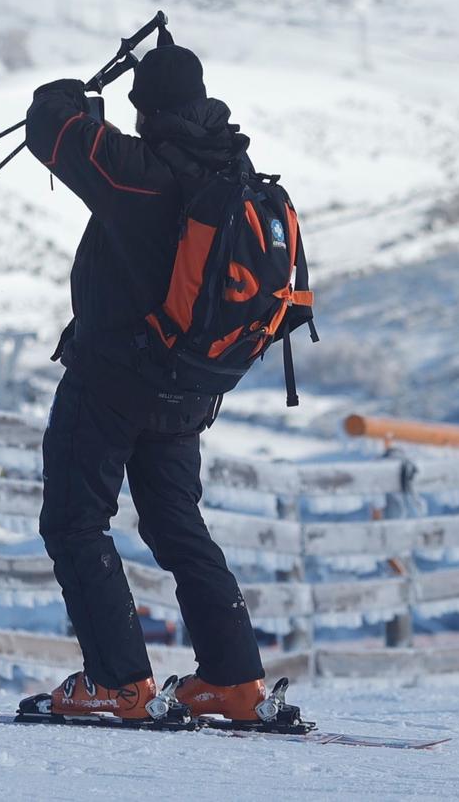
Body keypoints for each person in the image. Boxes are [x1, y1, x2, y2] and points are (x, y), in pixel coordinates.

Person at [20, 39, 272, 723]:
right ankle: (234, 682)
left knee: (75, 522)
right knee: (177, 524)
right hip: (190, 389)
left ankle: (119, 682)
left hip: (113, 380)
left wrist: (72, 92)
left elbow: (53, 129)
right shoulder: (231, 170)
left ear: (145, 108)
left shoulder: (144, 174)